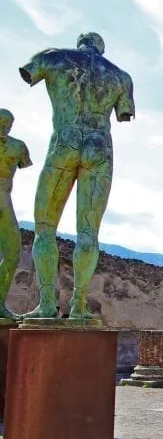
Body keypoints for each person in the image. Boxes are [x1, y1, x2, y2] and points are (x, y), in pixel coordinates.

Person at [18, 32, 134, 320]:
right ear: (102, 49)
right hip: (99, 147)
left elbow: (29, 72)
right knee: (88, 234)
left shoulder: (54, 56)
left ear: (81, 42)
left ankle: (46, 304)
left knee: (45, 228)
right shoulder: (120, 76)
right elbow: (124, 113)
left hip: (64, 141)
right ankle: (79, 305)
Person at [0, 109, 31, 320]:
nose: (4, 127)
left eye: (7, 124)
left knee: (12, 253)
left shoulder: (17, 146)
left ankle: (0, 303)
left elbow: (24, 164)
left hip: (4, 201)